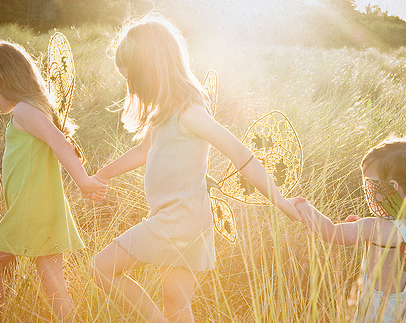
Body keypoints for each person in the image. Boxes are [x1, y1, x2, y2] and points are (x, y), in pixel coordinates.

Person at [89, 14, 302, 323]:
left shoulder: (189, 111)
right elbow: (143, 151)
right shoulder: (165, 111)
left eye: (132, 80)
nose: (132, 90)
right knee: (177, 305)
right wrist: (101, 175)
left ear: (152, 69)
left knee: (101, 267)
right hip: (174, 218)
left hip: (180, 220)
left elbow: (239, 153)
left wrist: (279, 199)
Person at [0, 40, 108, 322]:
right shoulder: (32, 107)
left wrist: (83, 181)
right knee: (52, 280)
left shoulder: (24, 110)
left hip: (29, 210)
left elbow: (58, 141)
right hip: (42, 209)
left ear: (3, 78)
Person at [289, 137, 406, 322]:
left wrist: (305, 208)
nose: (367, 192)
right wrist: (364, 230)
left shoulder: (373, 226)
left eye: (369, 185)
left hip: (379, 313)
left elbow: (331, 233)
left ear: (392, 188)